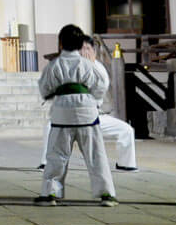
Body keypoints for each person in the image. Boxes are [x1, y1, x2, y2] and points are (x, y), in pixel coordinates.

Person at [35, 24, 117, 207]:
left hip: (62, 113)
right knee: (96, 155)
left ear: (61, 43)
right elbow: (101, 85)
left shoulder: (54, 65)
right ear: (81, 44)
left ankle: (50, 193)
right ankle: (106, 193)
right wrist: (91, 99)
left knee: (57, 155)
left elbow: (44, 88)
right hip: (86, 112)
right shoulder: (87, 65)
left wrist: (56, 93)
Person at [38, 36, 137, 172]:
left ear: (94, 51)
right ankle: (46, 163)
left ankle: (126, 164)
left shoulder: (99, 68)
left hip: (93, 116)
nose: (85, 52)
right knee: (51, 127)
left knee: (126, 130)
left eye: (88, 48)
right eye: (81, 49)